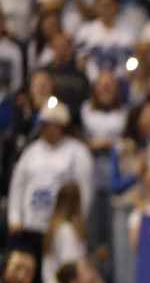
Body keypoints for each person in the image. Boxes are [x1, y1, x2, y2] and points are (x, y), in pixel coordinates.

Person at [7, 103, 94, 267]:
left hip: (60, 228)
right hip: (30, 226)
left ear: (60, 126)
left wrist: (79, 219)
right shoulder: (31, 151)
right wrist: (15, 218)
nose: (42, 128)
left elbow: (84, 191)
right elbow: (18, 185)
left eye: (47, 124)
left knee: (56, 273)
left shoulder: (77, 153)